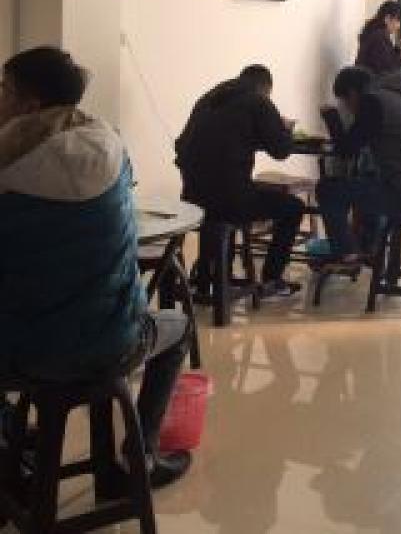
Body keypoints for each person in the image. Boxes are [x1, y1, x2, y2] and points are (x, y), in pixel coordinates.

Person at [0, 47, 191, 488]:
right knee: (179, 326)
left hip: (16, 351)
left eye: (4, 91)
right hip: (109, 344)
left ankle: (12, 454)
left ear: (29, 104)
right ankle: (137, 460)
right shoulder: (112, 149)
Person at [175, 65, 305, 297]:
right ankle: (272, 278)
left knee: (228, 193)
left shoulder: (209, 98)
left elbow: (182, 144)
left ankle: (212, 275)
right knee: (293, 208)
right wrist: (285, 129)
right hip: (232, 201)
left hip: (193, 199)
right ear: (266, 88)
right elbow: (281, 150)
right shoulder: (259, 101)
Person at [315, 66, 401, 261]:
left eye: (345, 102)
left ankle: (346, 255)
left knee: (328, 189)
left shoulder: (372, 102)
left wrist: (331, 116)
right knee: (366, 181)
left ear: (352, 94)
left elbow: (346, 150)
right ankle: (369, 249)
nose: (349, 109)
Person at [355, 0, 401, 76]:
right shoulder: (378, 36)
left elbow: (387, 59)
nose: (398, 26)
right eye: (397, 21)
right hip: (370, 81)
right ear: (387, 18)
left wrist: (398, 48)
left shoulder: (376, 32)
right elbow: (388, 68)